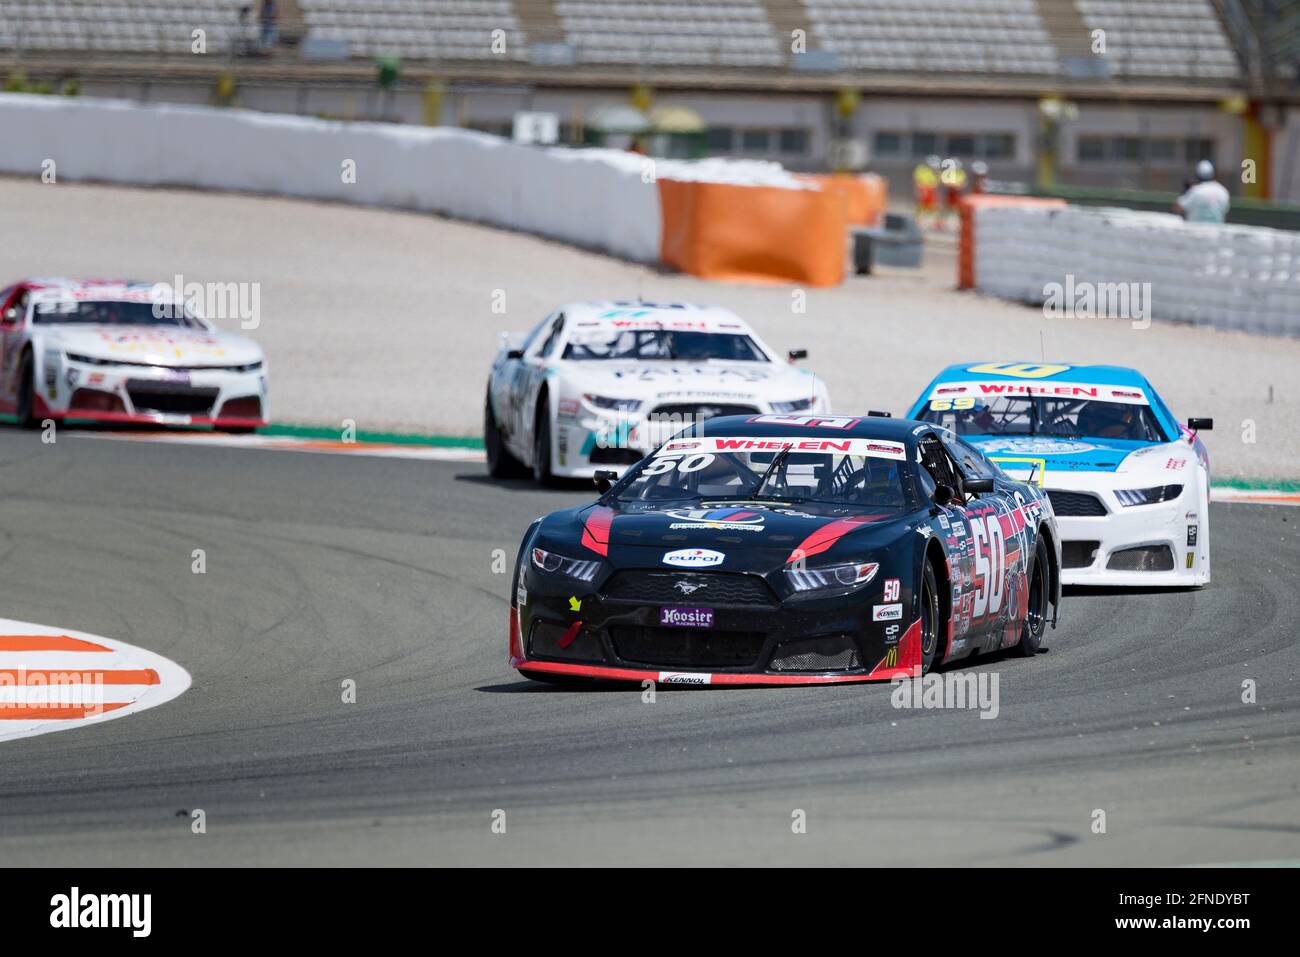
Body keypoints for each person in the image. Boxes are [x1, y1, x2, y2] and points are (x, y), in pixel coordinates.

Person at [1174, 160, 1230, 224]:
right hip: (1217, 232)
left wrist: (1185, 192)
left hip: (1196, 231)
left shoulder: (1196, 190)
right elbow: (1225, 211)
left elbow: (1178, 208)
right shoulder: (1223, 191)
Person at [912, 154, 940, 230]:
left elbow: (936, 183)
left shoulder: (936, 172)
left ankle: (935, 225)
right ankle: (917, 224)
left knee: (933, 209)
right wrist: (918, 192)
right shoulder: (921, 169)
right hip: (923, 190)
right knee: (921, 209)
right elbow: (917, 182)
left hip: (931, 191)